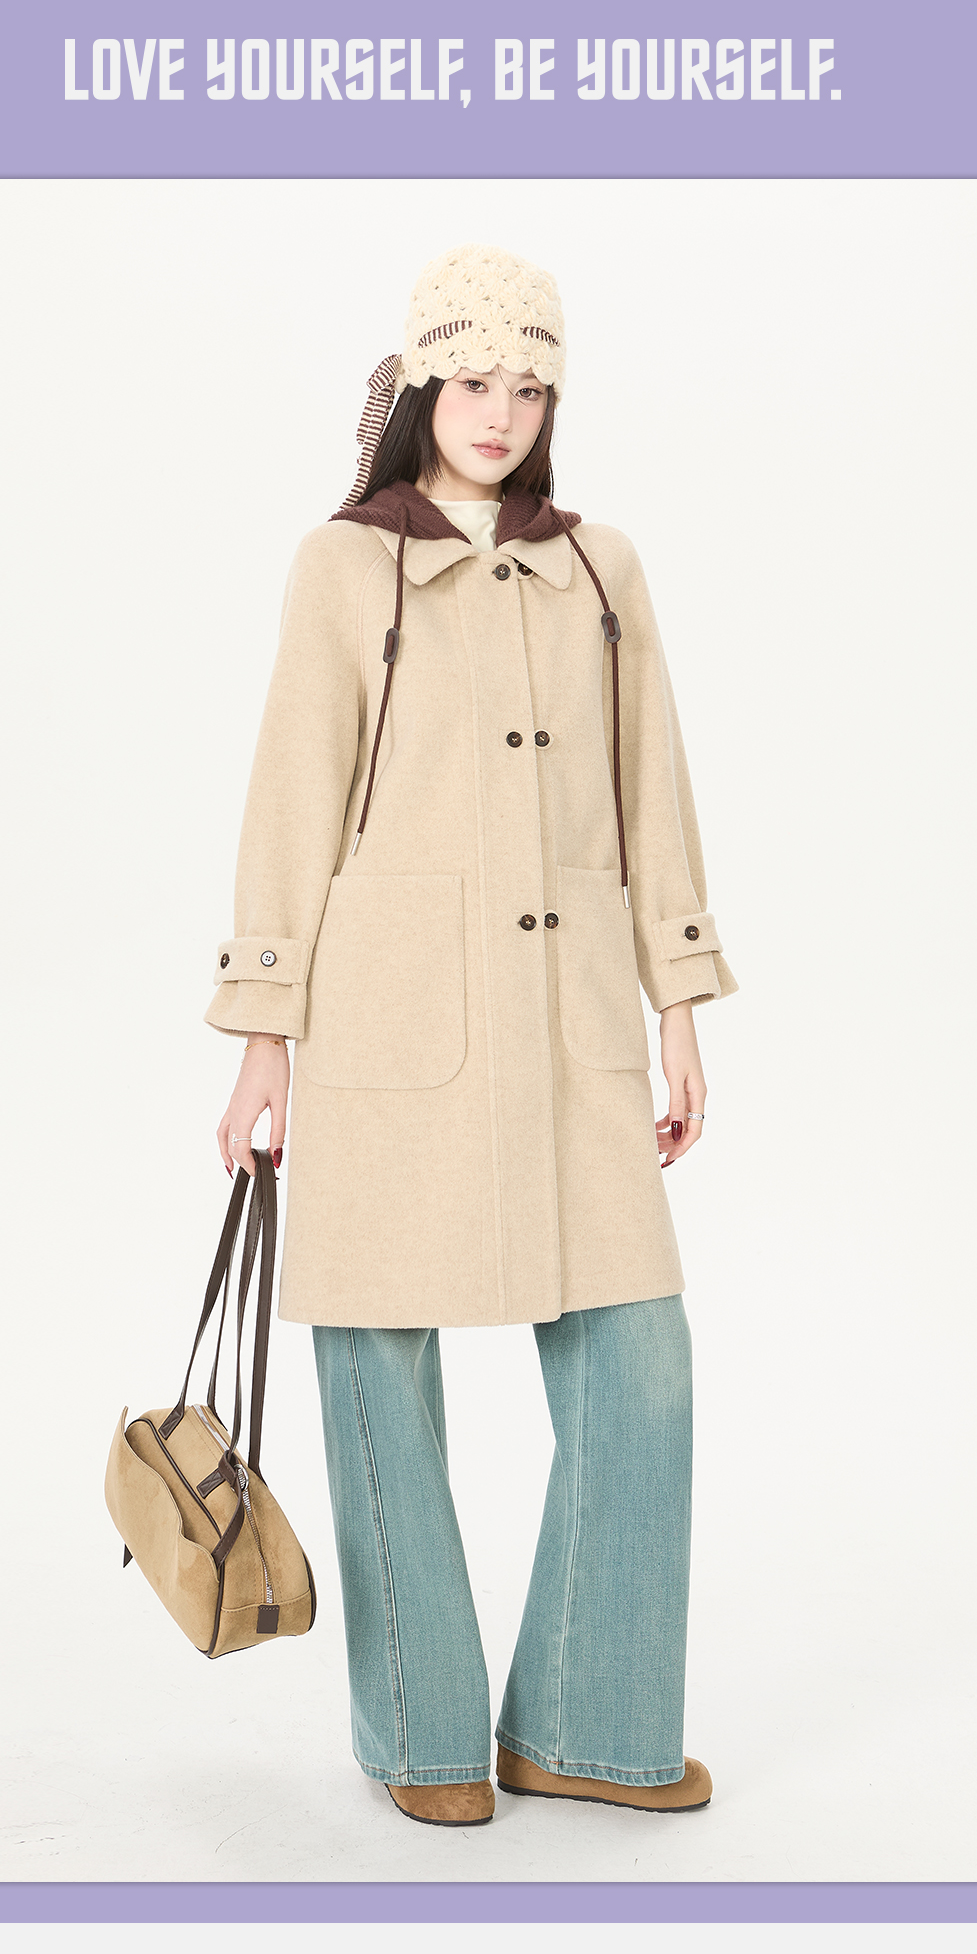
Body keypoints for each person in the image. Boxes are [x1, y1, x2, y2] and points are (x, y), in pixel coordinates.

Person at [205, 244, 737, 1828]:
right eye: (475, 379)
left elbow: (653, 787)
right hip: (387, 1014)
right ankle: (425, 1736)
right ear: (422, 383)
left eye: (531, 385)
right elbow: (293, 795)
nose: (501, 412)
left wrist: (679, 1003)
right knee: (380, 1367)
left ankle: (586, 1719)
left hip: (573, 1021)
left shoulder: (602, 571)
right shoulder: (343, 565)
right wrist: (262, 1036)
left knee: (642, 1369)